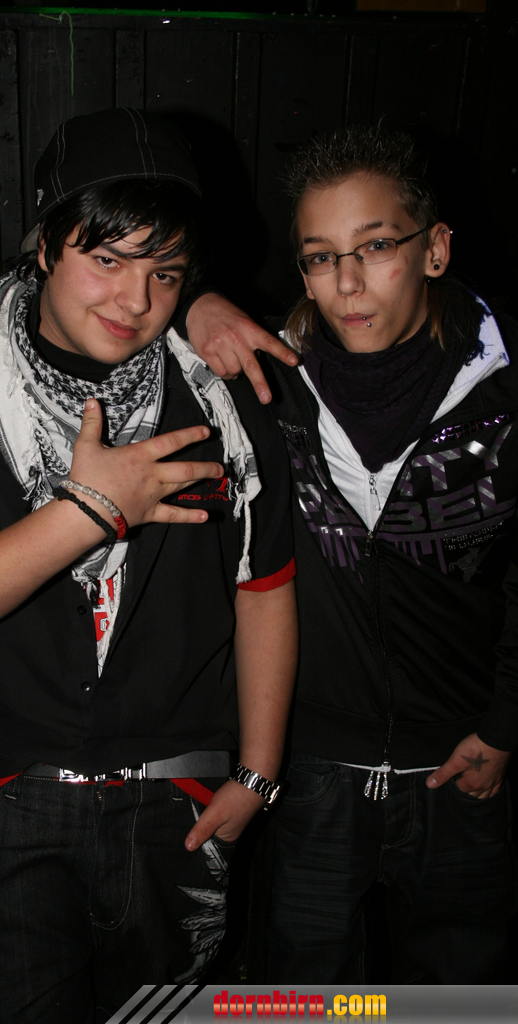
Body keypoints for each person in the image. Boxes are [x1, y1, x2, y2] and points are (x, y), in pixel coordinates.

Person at [0, 108, 297, 1022]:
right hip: (1, 794)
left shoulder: (219, 396)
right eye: (105, 259)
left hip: (178, 795)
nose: (134, 300)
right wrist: (91, 510)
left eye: (164, 273)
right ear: (44, 245)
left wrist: (256, 777)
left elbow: (263, 589)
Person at [183, 124, 518, 983]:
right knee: (306, 999)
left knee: (463, 998)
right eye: (320, 257)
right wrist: (197, 303)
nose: (348, 282)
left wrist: (504, 725)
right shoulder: (271, 378)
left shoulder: (504, 385)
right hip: (312, 770)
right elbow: (96, 300)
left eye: (376, 247)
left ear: (434, 249)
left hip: (463, 765)